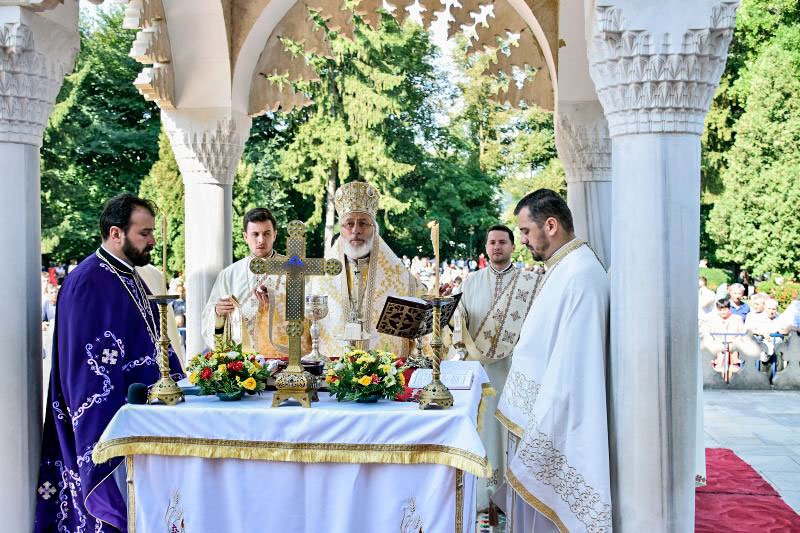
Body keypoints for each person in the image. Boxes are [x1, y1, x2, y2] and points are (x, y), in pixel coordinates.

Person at [35, 194, 184, 532]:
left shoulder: (131, 276)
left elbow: (150, 340)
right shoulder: (87, 281)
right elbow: (84, 369)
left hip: (139, 418)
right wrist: (103, 430)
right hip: (110, 424)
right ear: (117, 233)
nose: (152, 241)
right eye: (144, 234)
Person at [495, 189, 610, 532]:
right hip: (538, 414)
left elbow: (574, 366)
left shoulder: (580, 274)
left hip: (555, 420)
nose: (524, 241)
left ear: (551, 225)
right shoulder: (565, 266)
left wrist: (544, 426)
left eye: (526, 231)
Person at [450, 224, 541, 517]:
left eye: (502, 242)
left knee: (509, 430)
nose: (497, 247)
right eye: (492, 242)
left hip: (514, 371)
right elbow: (457, 321)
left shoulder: (528, 282)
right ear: (486, 247)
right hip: (480, 372)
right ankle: (482, 496)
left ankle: (509, 497)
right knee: (483, 430)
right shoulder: (471, 282)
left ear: (513, 246)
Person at [313, 181, 421, 357]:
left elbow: (424, 315)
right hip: (332, 372)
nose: (356, 230)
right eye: (349, 223)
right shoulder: (320, 279)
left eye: (363, 223)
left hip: (385, 374)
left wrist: (439, 299)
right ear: (341, 229)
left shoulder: (401, 277)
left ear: (374, 229)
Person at [201, 208, 291, 357]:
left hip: (283, 355)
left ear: (275, 235)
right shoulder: (229, 275)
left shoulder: (293, 270)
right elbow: (208, 317)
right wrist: (218, 312)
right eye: (255, 234)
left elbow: (308, 312)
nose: (261, 240)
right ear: (245, 237)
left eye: (266, 233)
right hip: (243, 361)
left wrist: (278, 302)